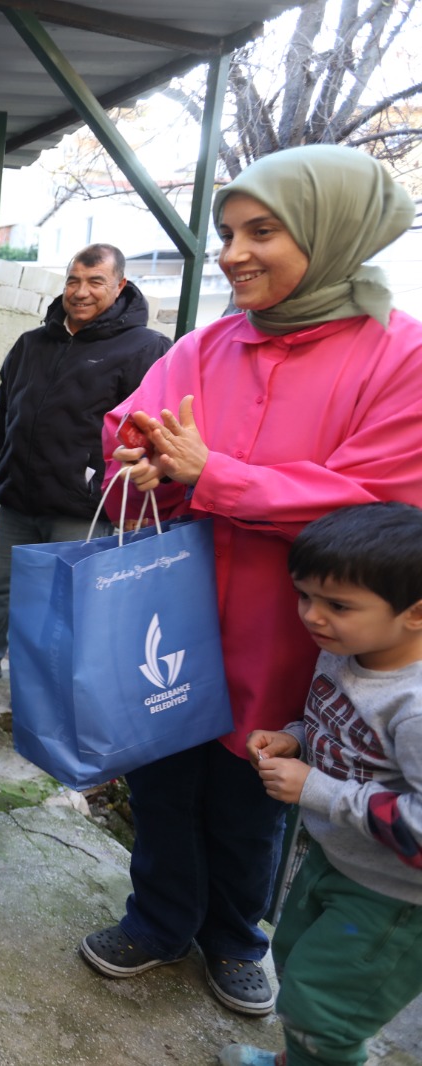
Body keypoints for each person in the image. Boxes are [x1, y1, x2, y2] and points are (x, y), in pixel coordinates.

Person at [79, 144, 422, 1019]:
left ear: (331, 232)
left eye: (261, 232)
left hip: (296, 632)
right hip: (171, 613)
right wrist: (140, 457)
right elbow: (135, 430)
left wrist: (213, 475)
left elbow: (379, 507)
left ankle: (237, 936)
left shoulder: (402, 357)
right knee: (161, 782)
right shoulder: (208, 344)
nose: (232, 253)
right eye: (228, 232)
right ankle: (157, 920)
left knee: (254, 794)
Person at [218, 502, 422, 1066]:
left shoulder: (413, 707)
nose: (311, 616)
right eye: (304, 595)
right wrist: (296, 738)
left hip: (396, 901)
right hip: (339, 857)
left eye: (337, 605)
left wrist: (316, 790)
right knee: (293, 963)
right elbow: (350, 735)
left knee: (325, 1013)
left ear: (416, 613)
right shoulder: (348, 653)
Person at [0, 243, 169, 677]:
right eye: (73, 280)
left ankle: (51, 682)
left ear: (120, 285)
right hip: (19, 497)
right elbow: (5, 410)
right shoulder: (31, 343)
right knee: (0, 586)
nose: (80, 292)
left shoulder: (146, 348)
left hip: (83, 505)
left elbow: (151, 429)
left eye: (95, 281)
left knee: (68, 599)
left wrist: (136, 498)